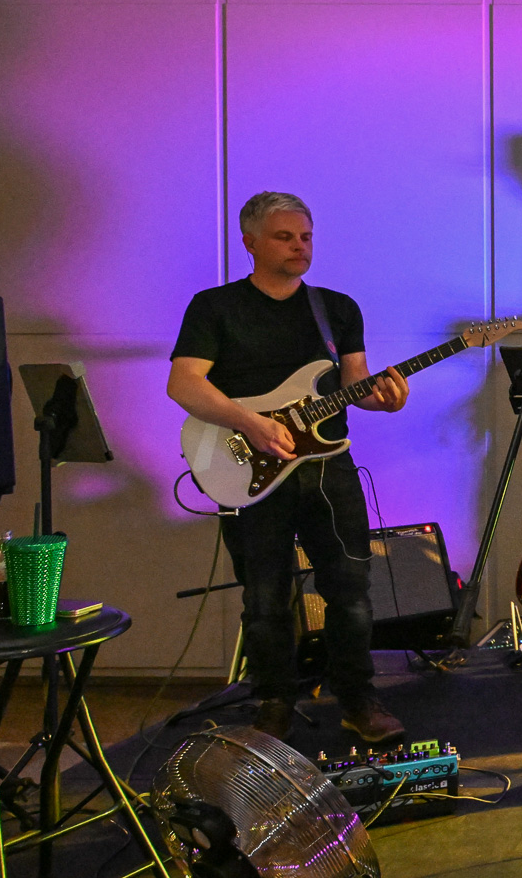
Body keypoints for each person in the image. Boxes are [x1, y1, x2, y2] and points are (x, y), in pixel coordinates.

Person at [168, 191, 410, 746]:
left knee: (350, 590)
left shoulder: (336, 309)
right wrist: (250, 423)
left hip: (328, 468)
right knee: (264, 596)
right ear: (250, 242)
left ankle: (356, 698)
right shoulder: (214, 307)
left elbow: (355, 385)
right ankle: (274, 701)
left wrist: (386, 401)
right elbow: (183, 383)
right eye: (285, 237)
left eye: (306, 237)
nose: (300, 246)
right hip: (246, 466)